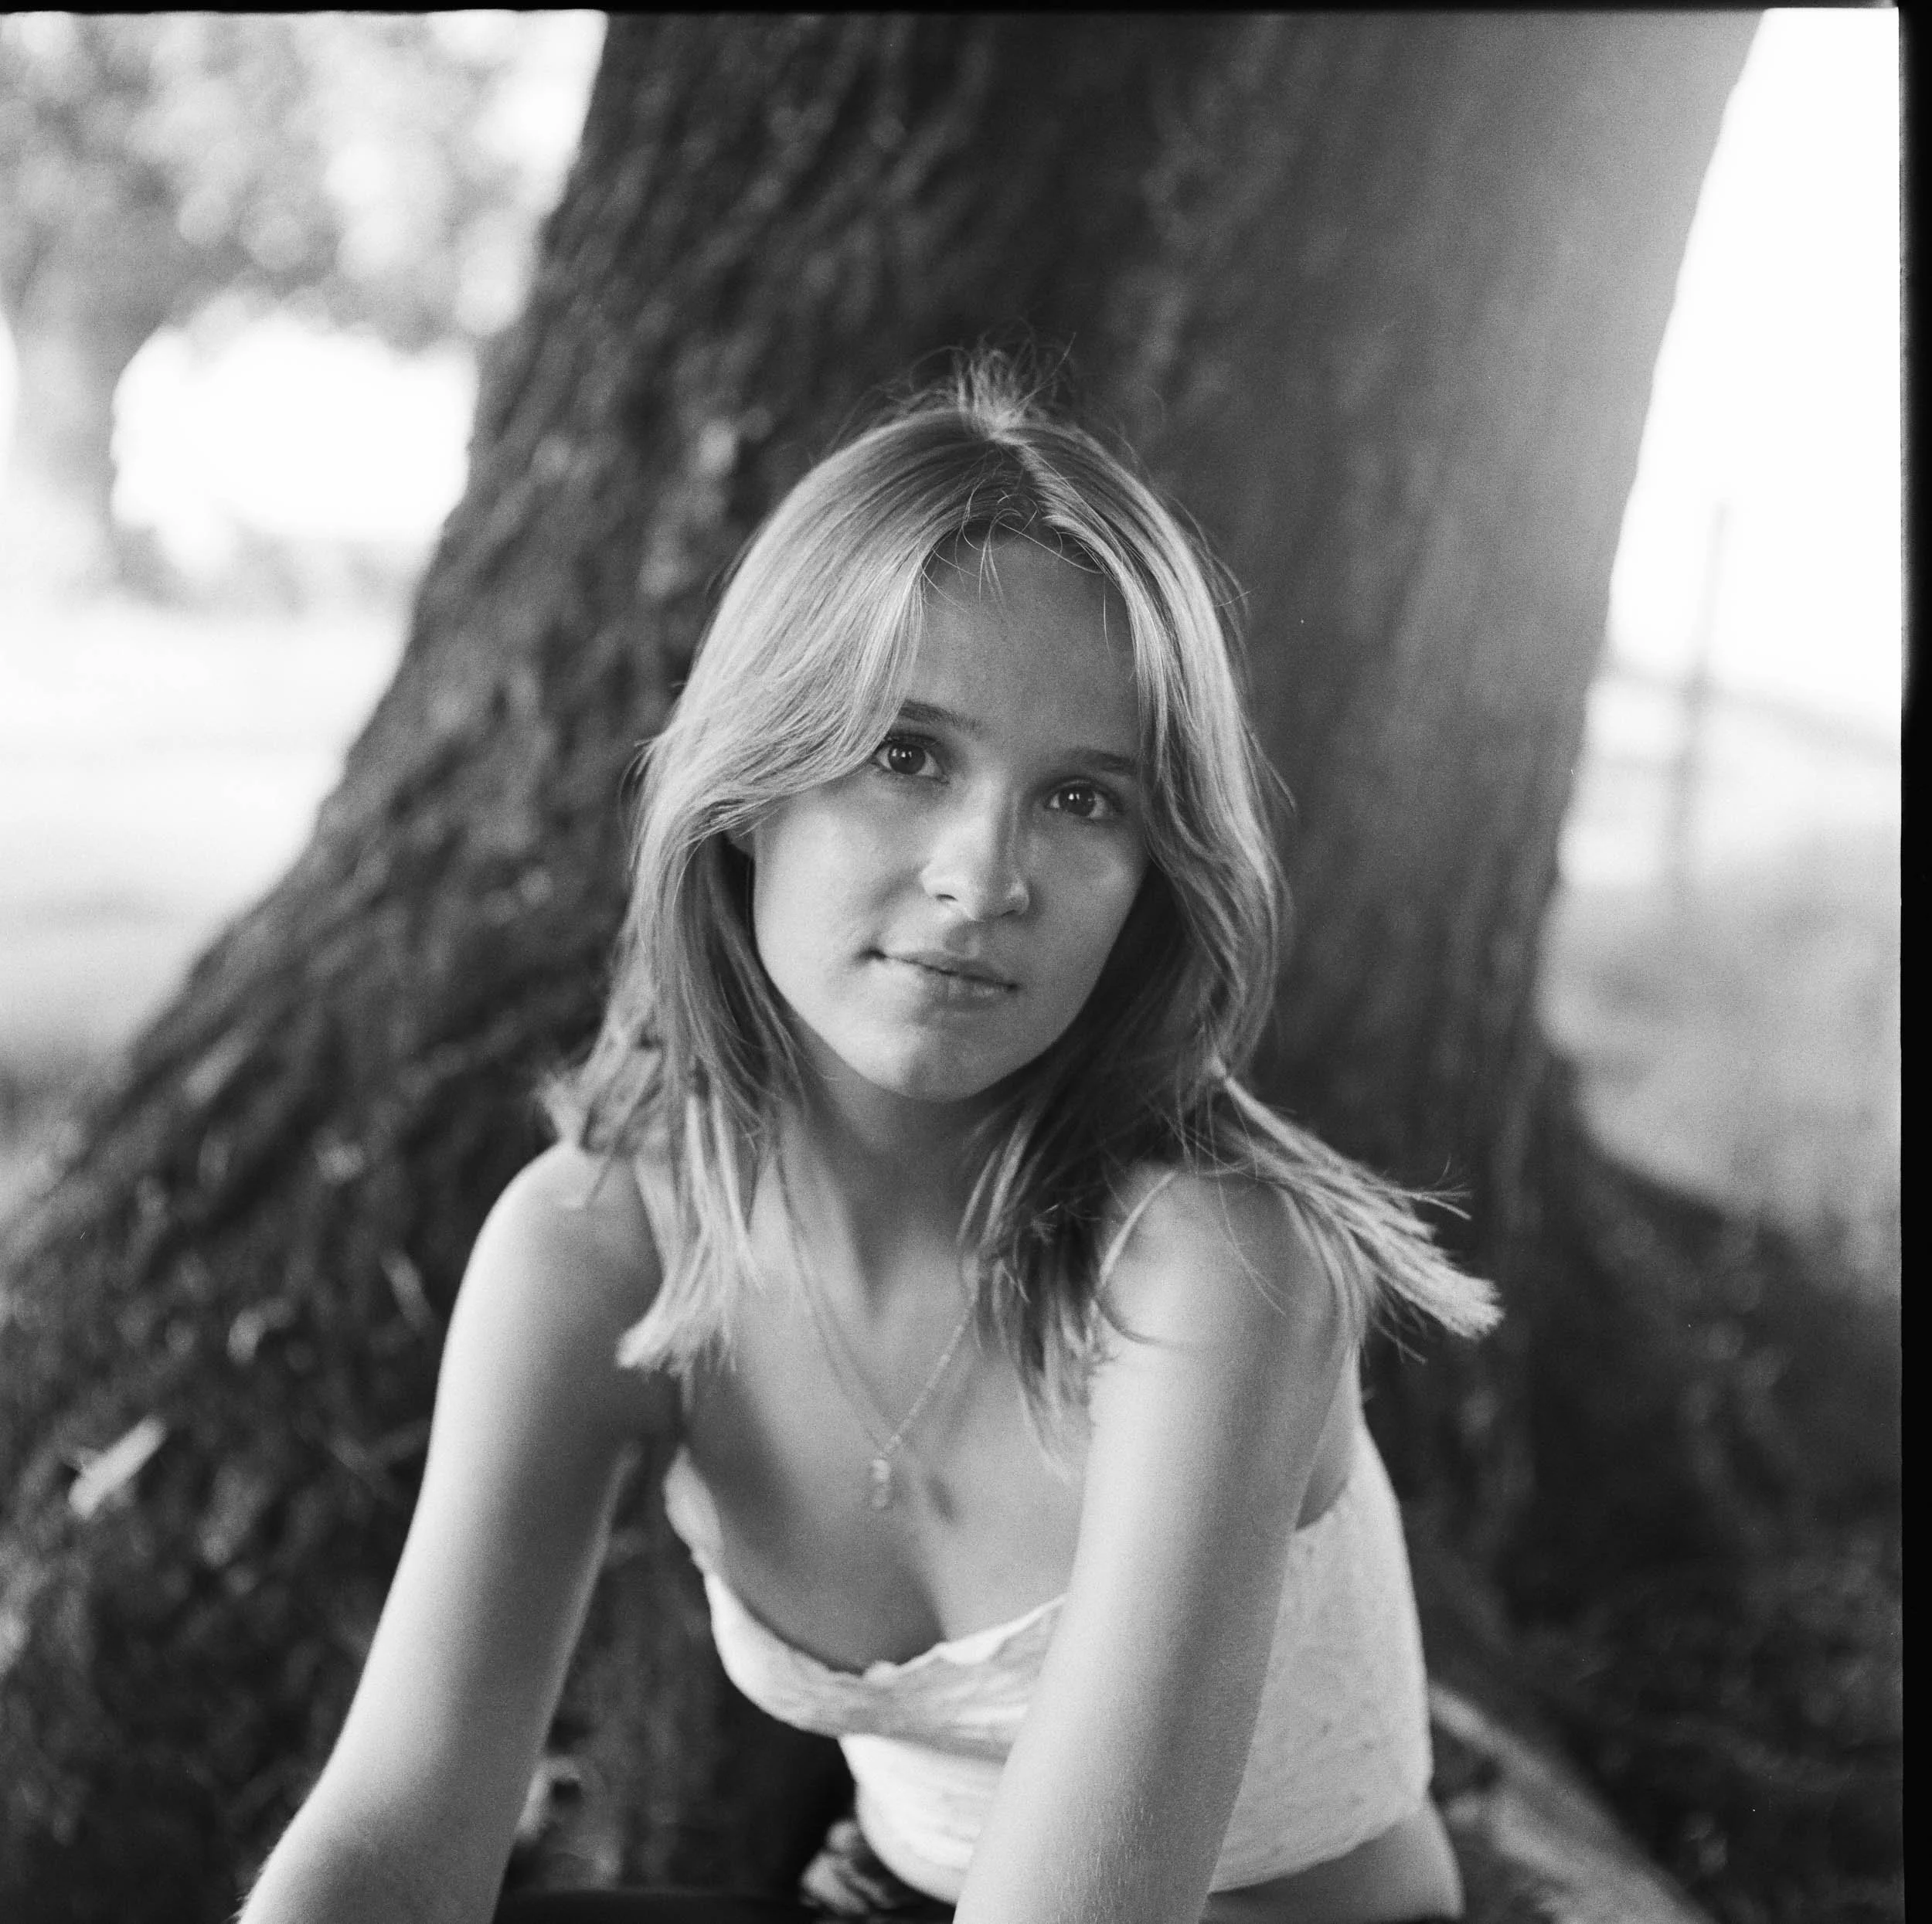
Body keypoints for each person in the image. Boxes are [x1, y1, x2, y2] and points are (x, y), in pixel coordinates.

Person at [240, 355, 1498, 1924]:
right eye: (906, 757)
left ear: (1151, 873)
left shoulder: (1211, 1277)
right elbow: (388, 1838)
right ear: (747, 788)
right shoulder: (597, 1249)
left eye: (1085, 800)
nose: (983, 874)